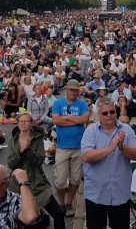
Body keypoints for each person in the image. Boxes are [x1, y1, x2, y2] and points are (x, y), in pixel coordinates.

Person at [81, 97, 136, 229]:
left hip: (120, 193)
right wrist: (110, 148)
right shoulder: (90, 132)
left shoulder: (127, 129)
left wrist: (122, 147)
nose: (109, 115)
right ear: (98, 114)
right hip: (97, 194)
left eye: (112, 112)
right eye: (105, 113)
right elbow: (86, 156)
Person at [6, 112, 64, 229]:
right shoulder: (12, 140)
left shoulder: (37, 138)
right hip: (19, 187)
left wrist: (28, 151)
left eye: (26, 121)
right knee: (28, 222)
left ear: (31, 123)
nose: (23, 123)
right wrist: (21, 152)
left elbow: (39, 160)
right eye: (21, 121)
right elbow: (11, 164)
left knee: (58, 213)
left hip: (38, 184)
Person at [51, 79, 89, 217]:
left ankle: (69, 202)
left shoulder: (82, 103)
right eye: (71, 89)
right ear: (67, 89)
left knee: (75, 179)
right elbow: (56, 120)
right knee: (60, 180)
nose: (73, 92)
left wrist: (66, 119)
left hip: (78, 147)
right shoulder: (58, 103)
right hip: (62, 146)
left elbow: (84, 119)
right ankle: (61, 202)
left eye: (75, 90)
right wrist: (75, 119)